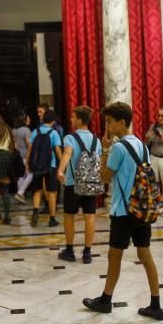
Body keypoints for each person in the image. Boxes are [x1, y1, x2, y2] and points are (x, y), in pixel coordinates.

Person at [82, 101, 163, 320]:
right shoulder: (141, 144)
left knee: (114, 257)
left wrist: (105, 149)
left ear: (121, 122)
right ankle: (156, 304)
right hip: (141, 208)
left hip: (123, 211)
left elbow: (104, 177)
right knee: (145, 254)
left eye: (109, 122)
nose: (107, 126)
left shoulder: (118, 147)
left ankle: (105, 300)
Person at [56, 105, 101, 264]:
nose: (71, 119)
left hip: (72, 184)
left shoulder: (70, 138)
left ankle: (69, 250)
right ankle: (87, 252)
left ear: (80, 120)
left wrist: (60, 171)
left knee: (69, 216)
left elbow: (67, 154)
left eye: (73, 117)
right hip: (90, 184)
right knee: (90, 216)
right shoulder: (97, 140)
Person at [26, 109, 63, 228]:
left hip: (36, 166)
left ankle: (35, 210)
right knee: (52, 192)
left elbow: (30, 149)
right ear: (53, 121)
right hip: (50, 165)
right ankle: (52, 219)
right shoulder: (54, 132)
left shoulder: (35, 131)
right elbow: (57, 150)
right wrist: (62, 163)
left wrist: (27, 164)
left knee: (37, 190)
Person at [12, 113, 33, 204]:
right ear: (24, 120)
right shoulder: (26, 130)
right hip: (25, 156)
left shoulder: (14, 130)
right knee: (30, 175)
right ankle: (20, 193)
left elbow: (14, 145)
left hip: (17, 156)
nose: (29, 120)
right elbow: (29, 144)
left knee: (21, 175)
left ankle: (20, 196)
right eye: (28, 119)